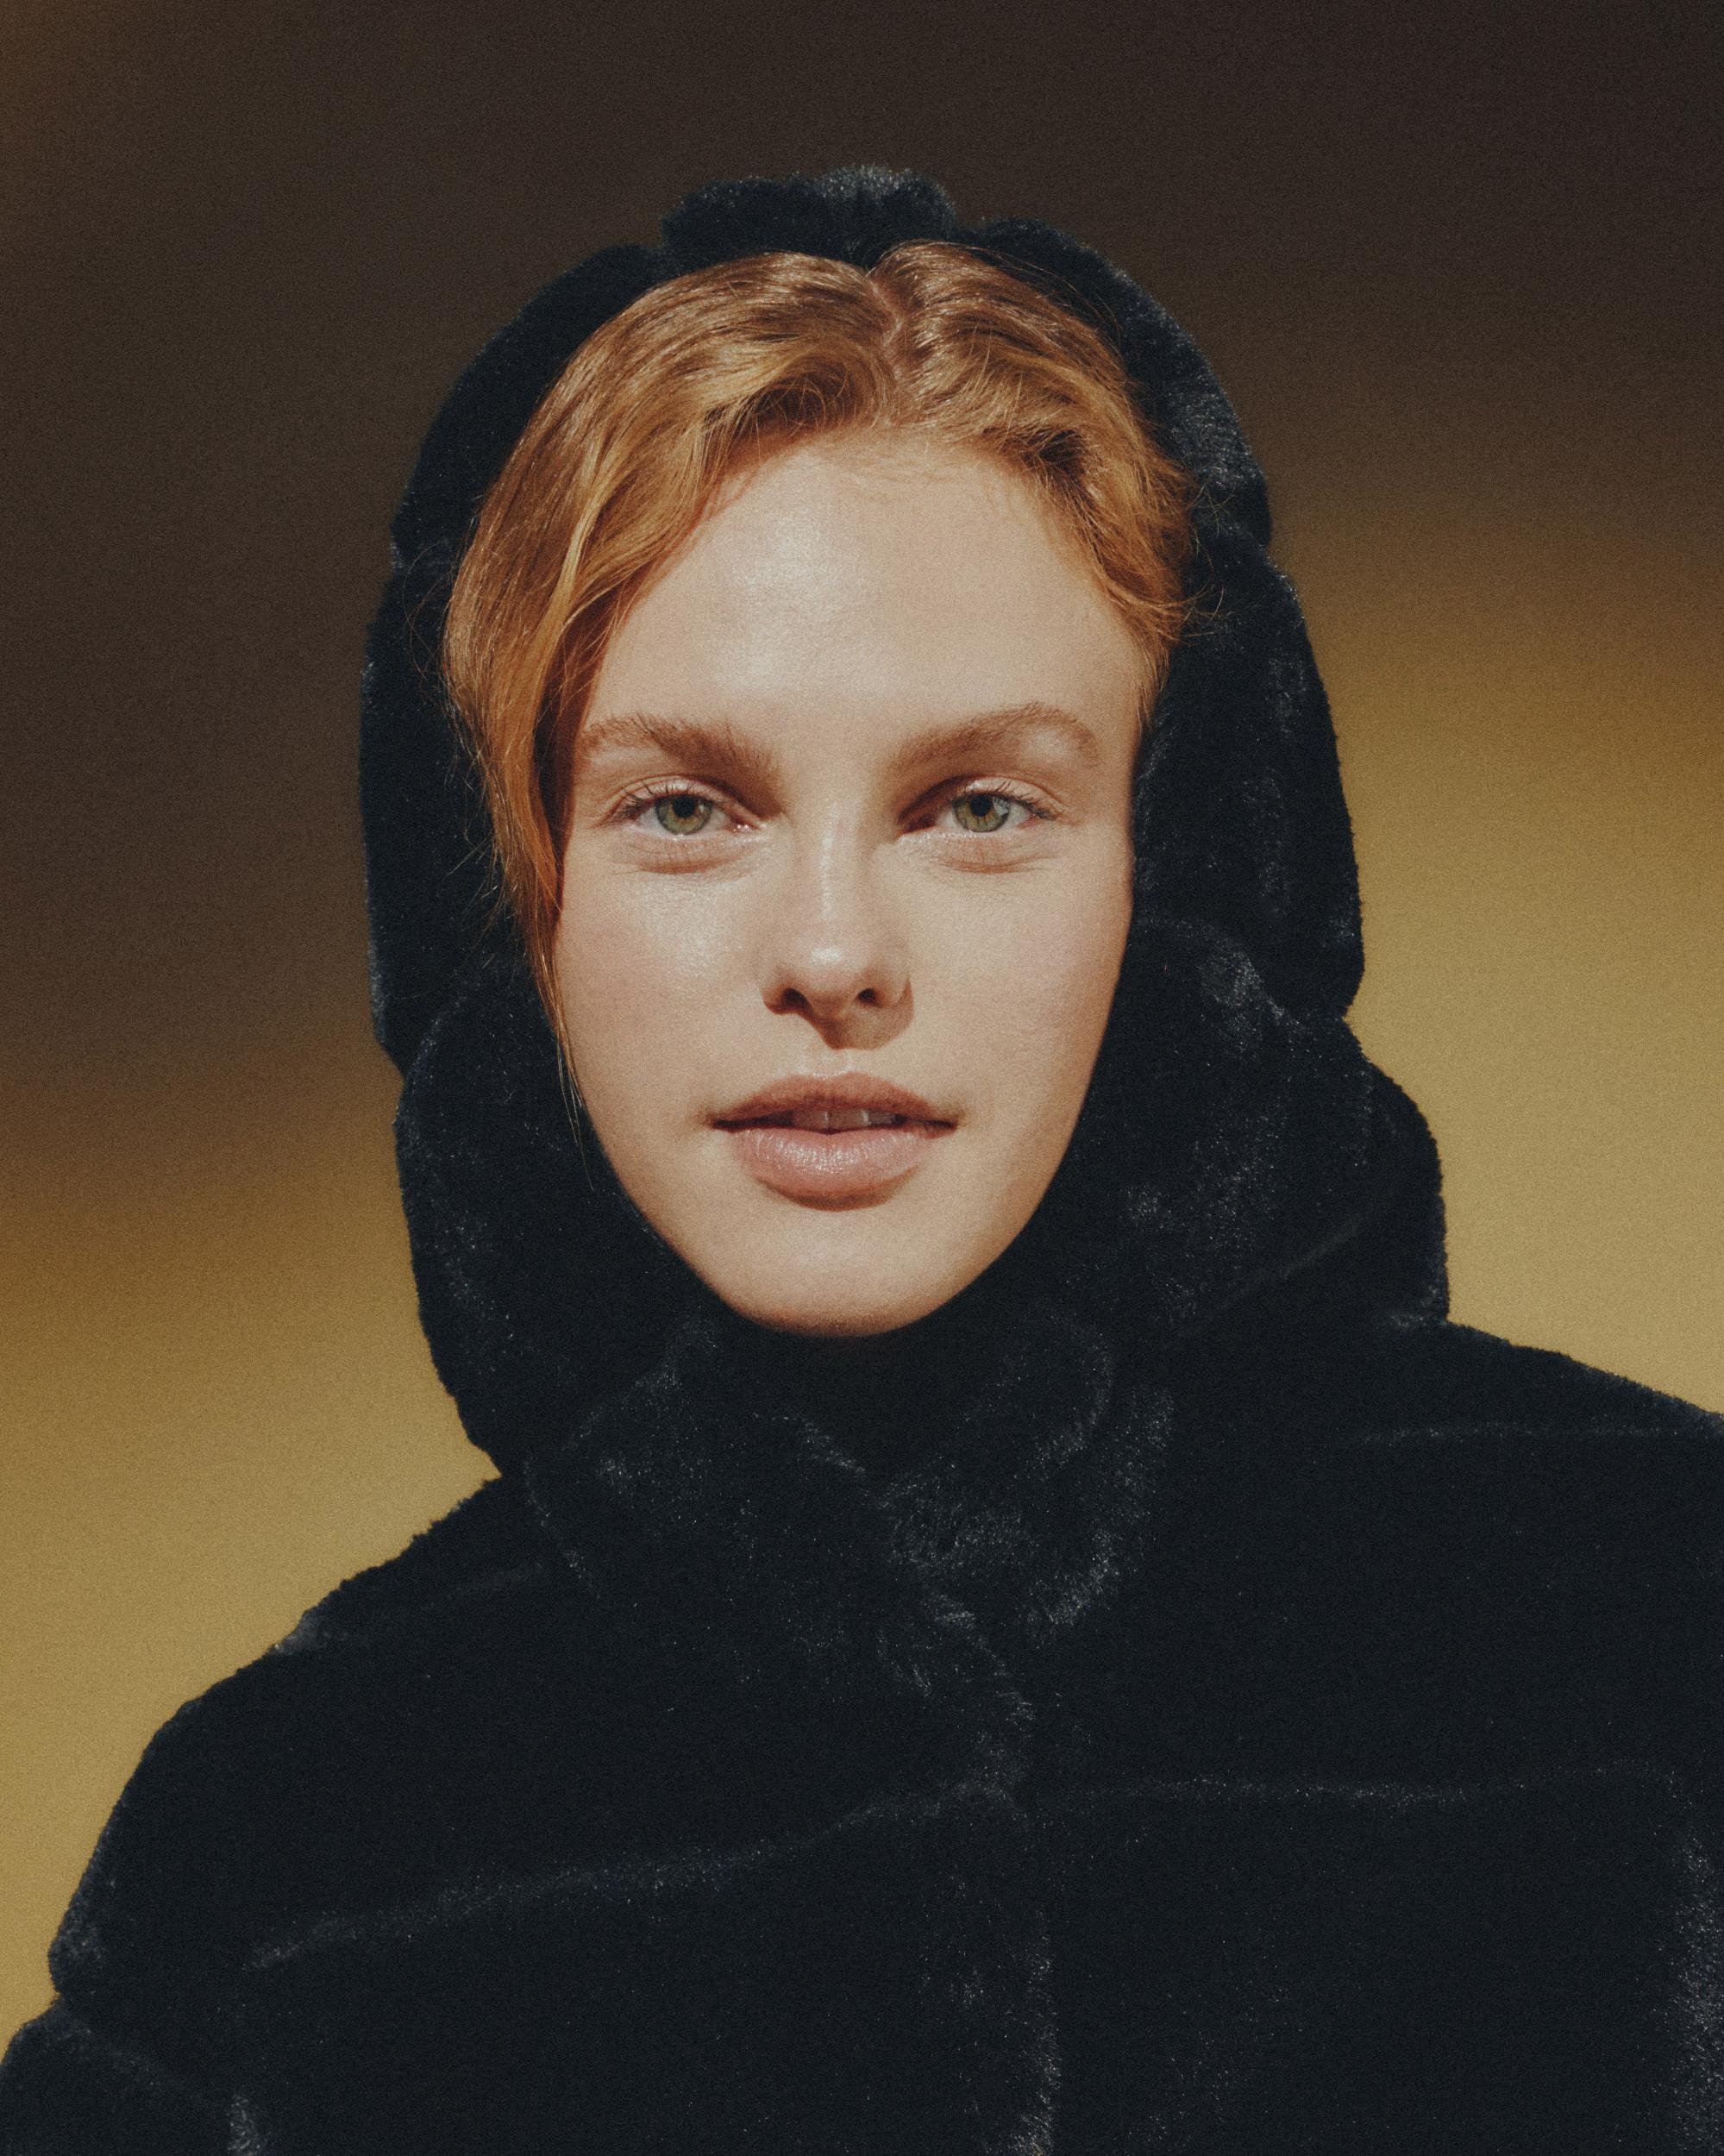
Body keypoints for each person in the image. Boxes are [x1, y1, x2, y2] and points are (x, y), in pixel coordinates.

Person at [3, 163, 1721, 2154]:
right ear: (520, 907)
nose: (831, 954)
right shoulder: (278, 1836)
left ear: (1171, 872)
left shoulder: (1655, 1613)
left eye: (978, 804)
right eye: (684, 808)